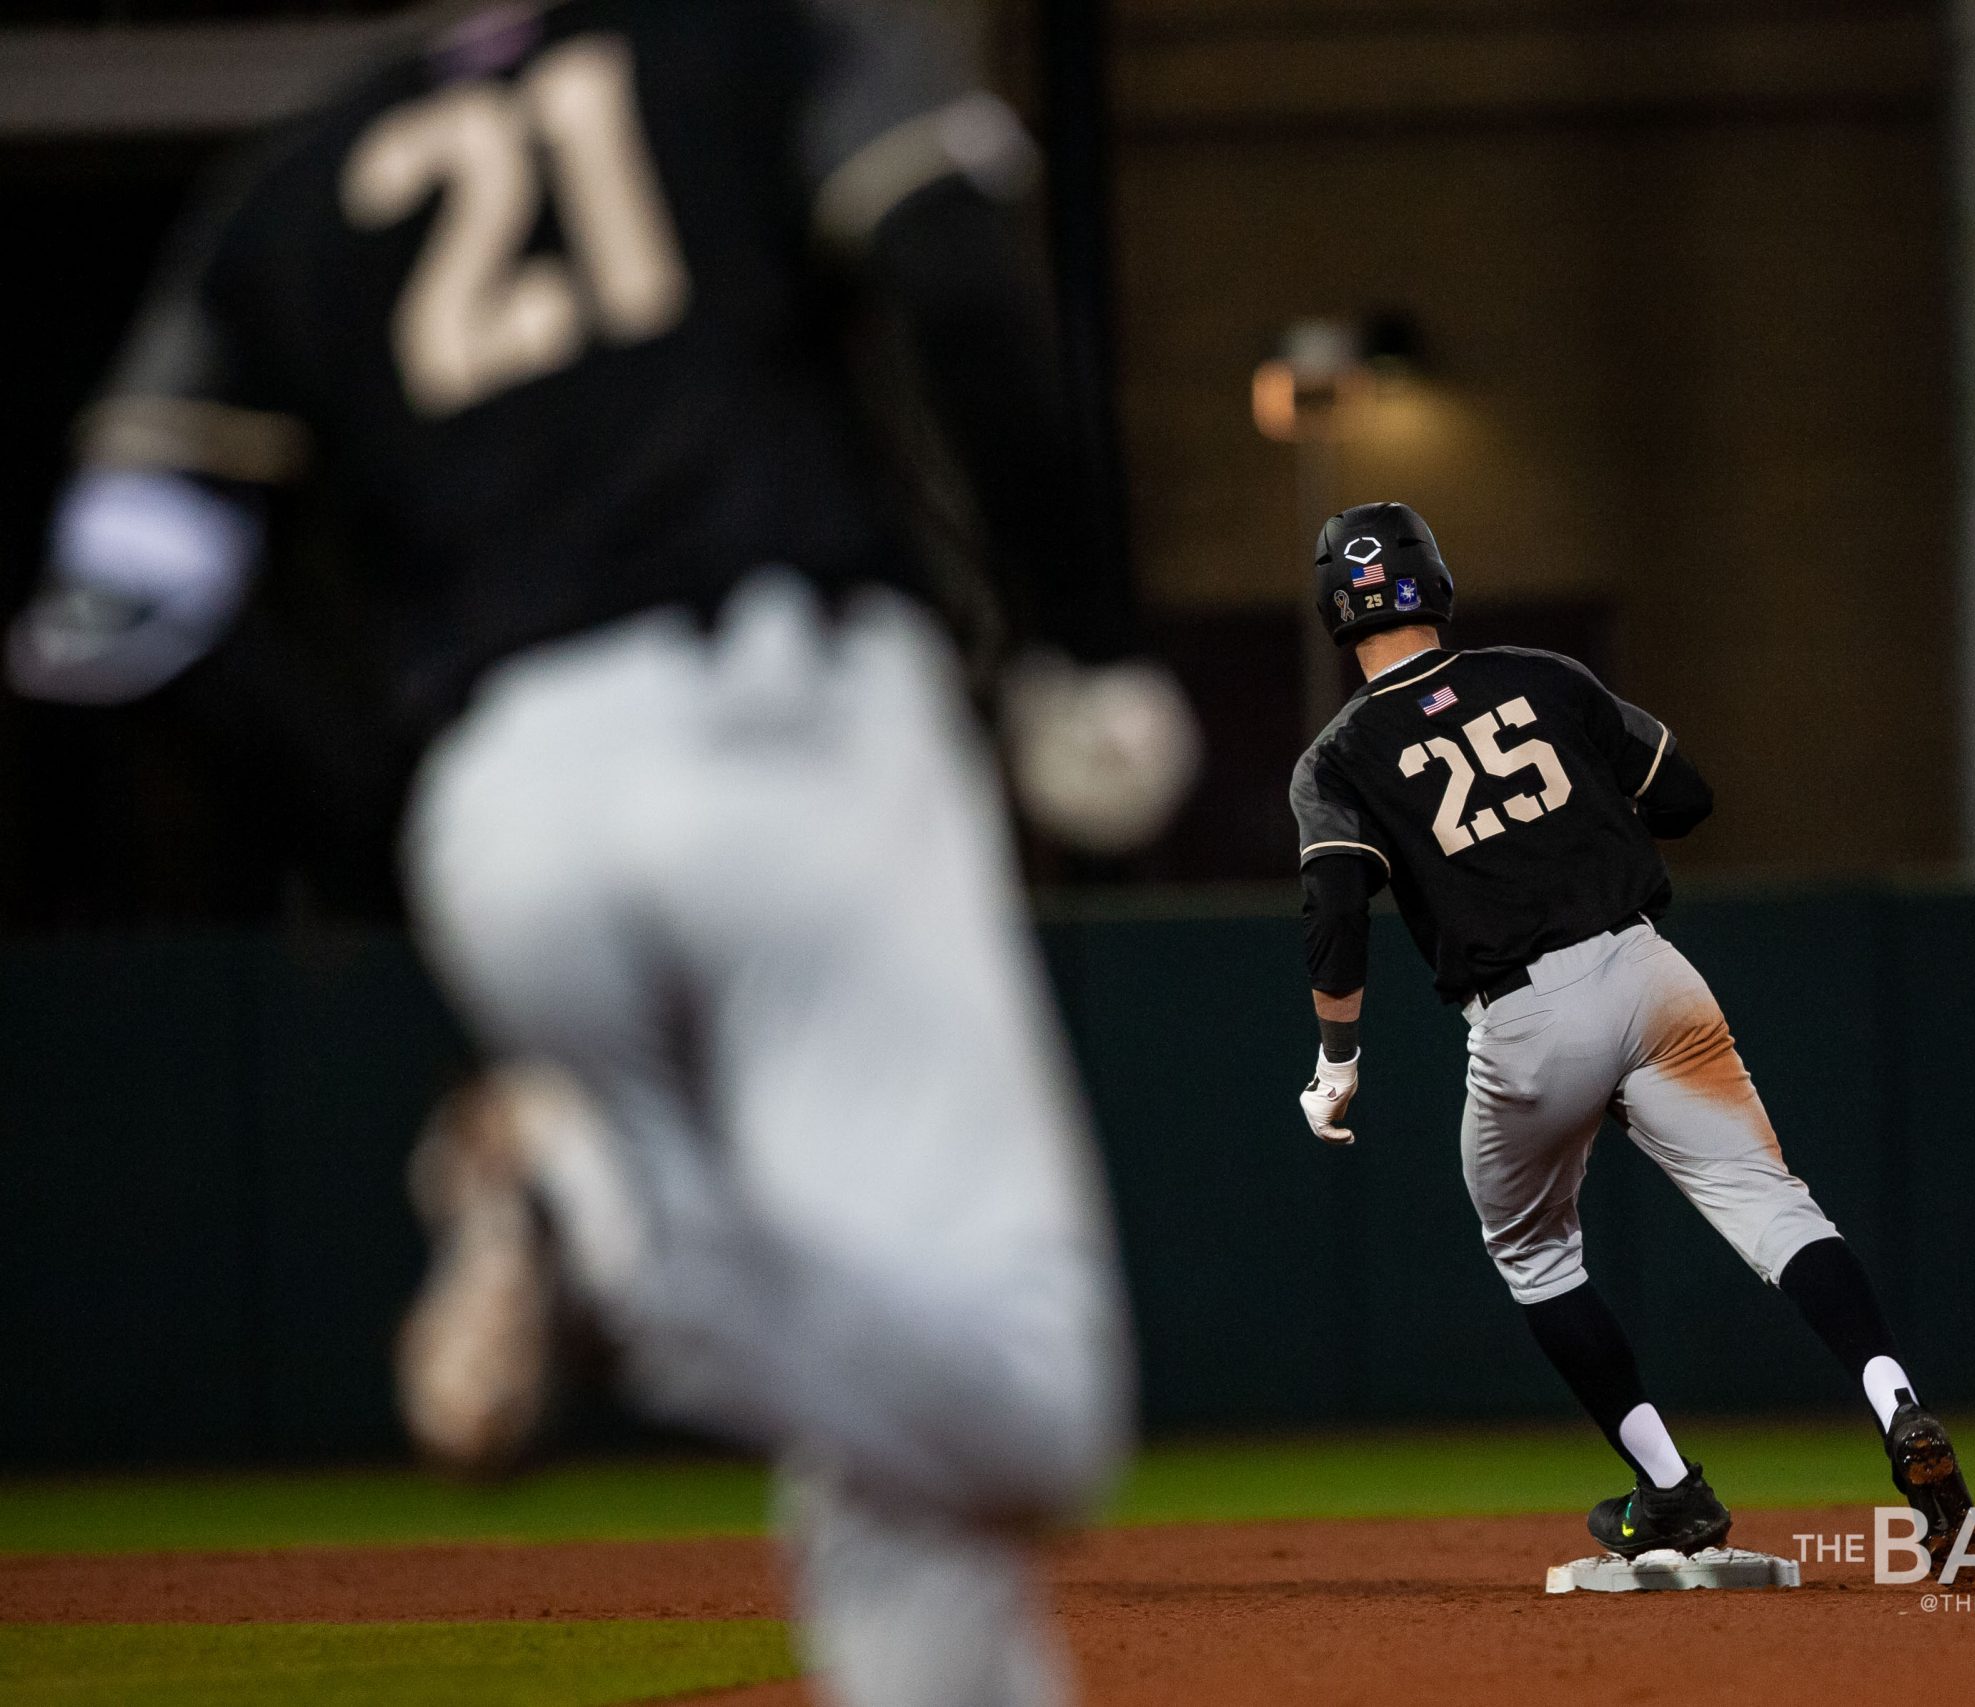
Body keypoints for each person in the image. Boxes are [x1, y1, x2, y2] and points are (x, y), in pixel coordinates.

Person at [8, 4, 1200, 1703]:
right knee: (1038, 1419)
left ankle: (619, 1223)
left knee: (889, 1467)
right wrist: (1083, 635)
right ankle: (621, 1237)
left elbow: (108, 596)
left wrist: (385, 838)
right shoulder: (750, 45)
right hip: (793, 729)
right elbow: (946, 266)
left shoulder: (291, 184)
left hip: (501, 801)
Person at [1286, 500, 1975, 1572]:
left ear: (1334, 609)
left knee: (1532, 1252)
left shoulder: (1337, 759)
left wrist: (1338, 1061)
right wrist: (1576, 822)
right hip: (1653, 978)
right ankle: (1897, 1408)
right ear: (1440, 581)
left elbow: (1335, 911)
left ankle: (1671, 1491)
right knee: (1772, 1205)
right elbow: (1685, 797)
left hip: (1523, 1023)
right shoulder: (1544, 676)